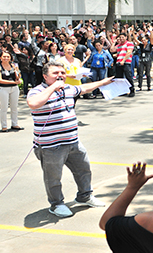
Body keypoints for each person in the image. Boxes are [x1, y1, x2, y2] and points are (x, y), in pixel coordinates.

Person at [26, 61, 114, 218]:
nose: (60, 75)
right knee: (53, 178)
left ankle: (85, 196)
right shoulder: (36, 91)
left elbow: (83, 88)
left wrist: (103, 82)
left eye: (62, 73)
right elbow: (33, 104)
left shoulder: (67, 89)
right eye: (55, 73)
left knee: (84, 169)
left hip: (73, 141)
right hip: (50, 146)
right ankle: (56, 204)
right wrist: (53, 87)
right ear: (45, 76)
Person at [0, 51, 21, 132]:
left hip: (14, 88)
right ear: (0, 58)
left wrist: (17, 72)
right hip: (3, 89)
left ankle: (15, 124)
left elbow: (18, 76)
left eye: (8, 57)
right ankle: (4, 125)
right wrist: (13, 82)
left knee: (14, 107)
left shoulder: (13, 65)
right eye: (4, 57)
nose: (6, 58)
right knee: (4, 107)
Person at [110, 33, 135, 97]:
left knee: (128, 76)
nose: (121, 39)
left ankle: (132, 90)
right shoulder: (118, 45)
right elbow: (112, 50)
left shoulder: (129, 43)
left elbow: (129, 52)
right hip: (118, 62)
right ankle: (122, 91)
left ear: (126, 37)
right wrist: (114, 42)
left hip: (126, 62)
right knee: (119, 78)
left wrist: (123, 60)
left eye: (122, 37)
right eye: (120, 37)